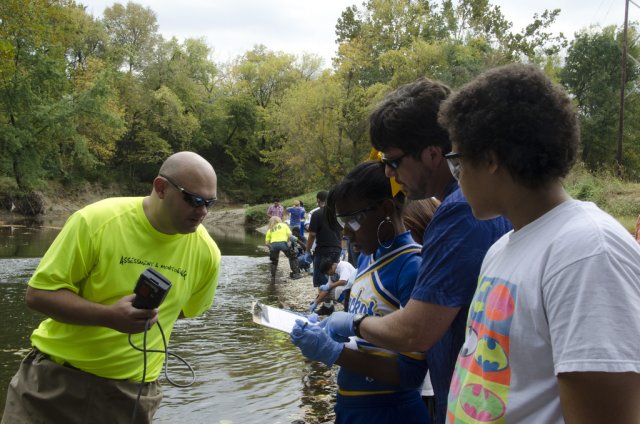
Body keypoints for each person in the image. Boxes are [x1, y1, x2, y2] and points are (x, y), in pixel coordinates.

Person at [437, 63, 640, 423]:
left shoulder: (587, 252)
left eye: (457, 162)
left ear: (490, 159)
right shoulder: (502, 249)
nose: (458, 178)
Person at [320, 77, 512, 423]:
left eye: (392, 161)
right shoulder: (474, 205)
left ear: (433, 154)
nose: (390, 174)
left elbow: (417, 332)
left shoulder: (459, 209)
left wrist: (351, 324)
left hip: (473, 403)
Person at [1, 152, 221, 424]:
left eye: (210, 202)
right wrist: (108, 316)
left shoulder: (207, 253)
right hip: (53, 381)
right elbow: (38, 295)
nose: (203, 212)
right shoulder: (95, 221)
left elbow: (184, 311)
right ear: (161, 188)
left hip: (131, 396)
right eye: (194, 200)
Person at [291, 161, 430, 423]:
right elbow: (367, 337)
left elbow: (411, 374)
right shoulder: (367, 258)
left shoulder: (412, 266)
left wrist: (333, 352)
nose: (344, 231)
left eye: (352, 220)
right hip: (351, 406)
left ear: (386, 210)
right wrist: (326, 331)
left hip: (390, 412)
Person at [305, 191, 342, 290]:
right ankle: (331, 299)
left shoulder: (316, 213)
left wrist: (307, 251)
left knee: (321, 277)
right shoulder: (337, 213)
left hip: (323, 250)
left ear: (318, 200)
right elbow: (343, 231)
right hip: (337, 248)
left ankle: (327, 303)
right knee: (333, 274)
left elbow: (312, 235)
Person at [265, 216, 302, 280]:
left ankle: (273, 277)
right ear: (279, 220)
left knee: (274, 261)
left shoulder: (269, 229)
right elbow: (290, 236)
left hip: (274, 245)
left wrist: (271, 248)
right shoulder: (284, 225)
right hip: (283, 244)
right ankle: (296, 274)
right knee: (292, 257)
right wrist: (297, 240)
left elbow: (267, 243)